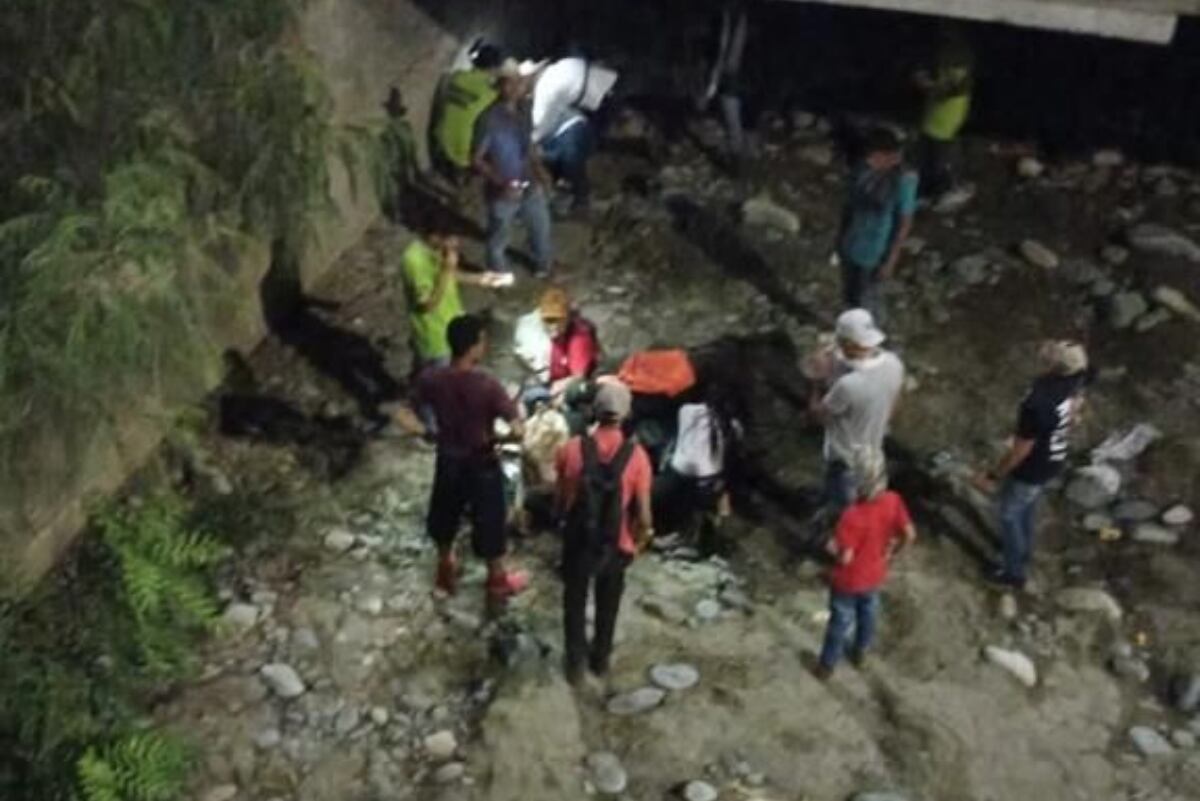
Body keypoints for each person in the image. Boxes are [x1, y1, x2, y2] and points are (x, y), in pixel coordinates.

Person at [393, 315, 529, 604]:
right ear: (473, 347)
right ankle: (496, 581)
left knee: (444, 516)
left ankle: (445, 571)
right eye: (482, 340)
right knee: (490, 521)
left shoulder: (431, 378)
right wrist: (506, 438)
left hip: (448, 460)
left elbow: (403, 413)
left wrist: (427, 432)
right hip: (481, 464)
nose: (485, 344)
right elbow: (517, 428)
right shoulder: (487, 385)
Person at [555, 379, 654, 684]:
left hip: (578, 539)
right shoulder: (637, 457)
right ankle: (600, 660)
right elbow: (645, 516)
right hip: (616, 542)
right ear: (625, 415)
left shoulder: (570, 450)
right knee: (608, 603)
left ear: (594, 412)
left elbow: (561, 501)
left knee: (574, 600)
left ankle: (574, 664)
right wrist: (640, 539)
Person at [973, 341, 1089, 591]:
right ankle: (1023, 550)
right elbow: (1076, 410)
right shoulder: (1075, 380)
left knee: (1008, 513)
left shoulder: (1038, 402)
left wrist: (994, 475)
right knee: (1027, 506)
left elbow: (1021, 448)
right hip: (1055, 457)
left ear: (1055, 366)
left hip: (1033, 465)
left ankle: (1014, 572)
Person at [814, 447, 917, 680]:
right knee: (868, 613)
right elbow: (910, 534)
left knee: (840, 621)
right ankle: (861, 652)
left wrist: (829, 545)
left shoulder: (852, 516)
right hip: (875, 573)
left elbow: (846, 557)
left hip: (848, 580)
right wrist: (893, 553)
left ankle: (827, 665)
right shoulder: (893, 501)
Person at [808, 309, 905, 523]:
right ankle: (834, 506)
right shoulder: (894, 364)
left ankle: (843, 528)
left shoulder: (848, 385)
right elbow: (894, 405)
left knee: (847, 502)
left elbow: (817, 414)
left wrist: (817, 380)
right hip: (874, 445)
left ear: (851, 345)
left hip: (844, 454)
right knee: (857, 490)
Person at [473, 59, 554, 277]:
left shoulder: (524, 112)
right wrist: (502, 182)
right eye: (507, 83)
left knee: (541, 227)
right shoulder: (488, 120)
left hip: (529, 182)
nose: (514, 88)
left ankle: (543, 266)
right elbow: (477, 159)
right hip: (502, 191)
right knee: (499, 237)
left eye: (517, 83)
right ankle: (498, 274)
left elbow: (527, 146)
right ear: (499, 86)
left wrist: (541, 170)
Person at [399, 211, 504, 378]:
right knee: (438, 387)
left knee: (425, 376)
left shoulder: (438, 250)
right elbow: (427, 304)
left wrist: (480, 279)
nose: (456, 242)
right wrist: (446, 269)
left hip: (451, 326)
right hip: (435, 337)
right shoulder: (414, 261)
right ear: (434, 236)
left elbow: (449, 277)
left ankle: (416, 390)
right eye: (450, 238)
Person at [836, 128, 919, 323]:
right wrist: (840, 236)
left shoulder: (903, 181)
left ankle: (870, 339)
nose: (870, 159)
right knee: (849, 294)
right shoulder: (863, 171)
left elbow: (904, 222)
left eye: (876, 155)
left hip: (874, 250)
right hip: (852, 242)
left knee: (868, 299)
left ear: (890, 156)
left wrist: (891, 259)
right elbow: (849, 204)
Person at [530, 54, 619, 214]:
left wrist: (530, 143)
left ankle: (581, 201)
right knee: (561, 161)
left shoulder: (545, 88)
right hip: (600, 90)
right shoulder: (557, 69)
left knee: (571, 163)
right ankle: (572, 193)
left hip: (575, 127)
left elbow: (540, 126)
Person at [913, 27, 974, 207]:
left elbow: (957, 89)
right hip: (932, 116)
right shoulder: (944, 54)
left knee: (941, 159)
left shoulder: (963, 59)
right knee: (927, 158)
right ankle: (926, 192)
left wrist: (930, 87)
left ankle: (943, 191)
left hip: (947, 118)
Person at [431, 42, 503, 186]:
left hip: (437, 139)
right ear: (494, 68)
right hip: (460, 154)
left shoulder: (457, 76)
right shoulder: (490, 94)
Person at [513, 287, 600, 403]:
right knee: (531, 396)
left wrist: (559, 388)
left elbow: (578, 376)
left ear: (567, 318)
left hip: (571, 384)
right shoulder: (530, 329)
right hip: (543, 382)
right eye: (549, 320)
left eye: (558, 320)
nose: (553, 326)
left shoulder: (580, 336)